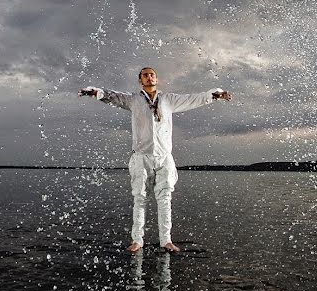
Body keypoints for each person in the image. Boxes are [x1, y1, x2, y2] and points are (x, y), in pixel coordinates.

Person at [80, 67, 231, 253]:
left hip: (164, 157)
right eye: (145, 75)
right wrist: (96, 92)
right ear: (140, 80)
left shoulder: (169, 100)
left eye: (152, 74)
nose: (149, 77)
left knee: (165, 198)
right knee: (140, 198)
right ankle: (137, 241)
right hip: (141, 157)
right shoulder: (134, 100)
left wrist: (213, 95)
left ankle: (166, 240)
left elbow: (192, 99)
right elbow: (113, 96)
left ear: (157, 79)